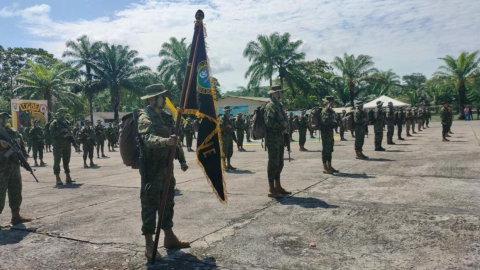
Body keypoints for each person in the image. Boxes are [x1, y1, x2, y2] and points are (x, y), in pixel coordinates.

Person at [137, 84, 190, 261]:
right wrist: (166, 142)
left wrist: (181, 159)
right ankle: (149, 244)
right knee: (150, 206)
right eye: (161, 96)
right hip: (151, 170)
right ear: (152, 99)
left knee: (168, 203)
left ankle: (169, 237)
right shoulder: (145, 117)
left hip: (167, 168)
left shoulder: (167, 117)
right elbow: (148, 139)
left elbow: (176, 139)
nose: (165, 99)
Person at [0, 112, 32, 229]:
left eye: (5, 118)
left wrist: (25, 159)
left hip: (14, 167)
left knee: (16, 191)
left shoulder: (14, 132)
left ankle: (16, 216)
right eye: (1, 117)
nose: (3, 120)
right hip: (1, 169)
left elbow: (22, 147)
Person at [264, 85, 291, 198]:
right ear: (274, 93)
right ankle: (271, 189)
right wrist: (282, 124)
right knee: (273, 163)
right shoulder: (270, 106)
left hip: (280, 137)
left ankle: (278, 186)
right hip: (273, 139)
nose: (282, 94)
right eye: (280, 92)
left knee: (280, 163)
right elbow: (269, 123)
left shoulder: (279, 106)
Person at [50, 108, 76, 185]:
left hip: (67, 145)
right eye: (60, 113)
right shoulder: (54, 123)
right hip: (58, 145)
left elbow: (70, 134)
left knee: (66, 161)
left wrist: (74, 144)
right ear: (57, 114)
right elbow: (52, 135)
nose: (62, 114)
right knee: (57, 161)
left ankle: (68, 177)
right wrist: (61, 131)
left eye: (63, 113)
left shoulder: (67, 122)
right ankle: (57, 177)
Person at [320, 96, 338, 174]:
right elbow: (325, 122)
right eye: (331, 102)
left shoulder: (330, 110)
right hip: (325, 132)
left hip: (330, 132)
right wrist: (332, 117)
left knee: (330, 149)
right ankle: (325, 167)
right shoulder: (325, 111)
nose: (333, 103)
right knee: (325, 150)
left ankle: (329, 166)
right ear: (328, 102)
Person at [220, 106, 236, 171]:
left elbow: (232, 128)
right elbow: (220, 128)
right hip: (224, 137)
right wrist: (227, 126)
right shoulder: (222, 118)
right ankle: (224, 165)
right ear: (224, 111)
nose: (228, 112)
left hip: (229, 136)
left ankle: (229, 165)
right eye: (227, 111)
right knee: (224, 151)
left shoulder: (229, 118)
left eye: (229, 111)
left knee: (230, 151)